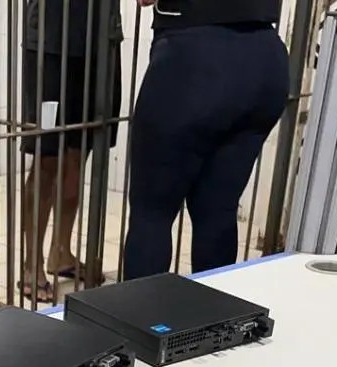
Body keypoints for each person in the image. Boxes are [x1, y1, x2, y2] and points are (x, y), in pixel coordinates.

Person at [122, 0, 288, 280]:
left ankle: (140, 308)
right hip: (264, 57)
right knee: (218, 211)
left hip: (193, 57)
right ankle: (212, 307)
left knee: (152, 214)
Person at [20, 0, 123, 302]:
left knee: (81, 151)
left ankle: (61, 252)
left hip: (101, 41)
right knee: (47, 156)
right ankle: (31, 264)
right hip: (50, 43)